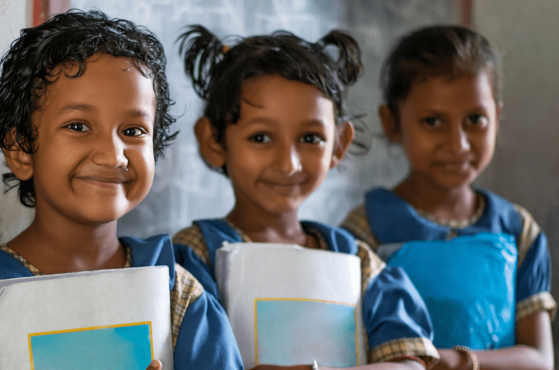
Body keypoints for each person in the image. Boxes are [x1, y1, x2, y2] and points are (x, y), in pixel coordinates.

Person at [0, 10, 242, 370]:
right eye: (79, 125)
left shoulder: (179, 297)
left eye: (133, 131)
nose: (113, 155)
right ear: (20, 149)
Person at [172, 25, 438, 370]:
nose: (289, 163)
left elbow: (409, 363)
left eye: (310, 138)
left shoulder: (357, 259)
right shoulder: (195, 255)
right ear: (214, 141)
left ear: (339, 145)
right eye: (261, 137)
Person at [341, 26, 554, 370]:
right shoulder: (365, 230)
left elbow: (540, 361)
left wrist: (454, 360)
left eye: (475, 119)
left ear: (497, 118)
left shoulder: (517, 229)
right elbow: (349, 350)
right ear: (392, 122)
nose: (458, 144)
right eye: (432, 121)